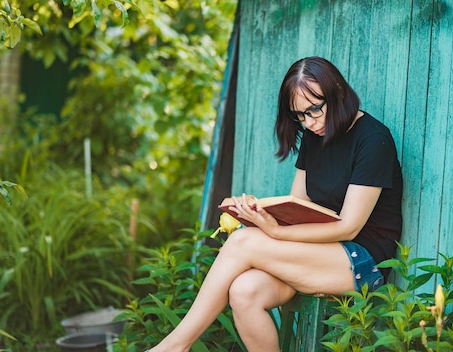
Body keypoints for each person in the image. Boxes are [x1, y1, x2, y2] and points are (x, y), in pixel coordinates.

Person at [147, 56, 403, 352]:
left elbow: (349, 226)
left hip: (361, 261)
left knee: (243, 243)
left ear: (337, 91)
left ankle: (175, 346)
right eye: (300, 116)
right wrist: (260, 215)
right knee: (245, 291)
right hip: (317, 253)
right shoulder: (313, 135)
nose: (309, 122)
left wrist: (276, 233)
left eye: (315, 109)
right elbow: (299, 203)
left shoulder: (373, 139)